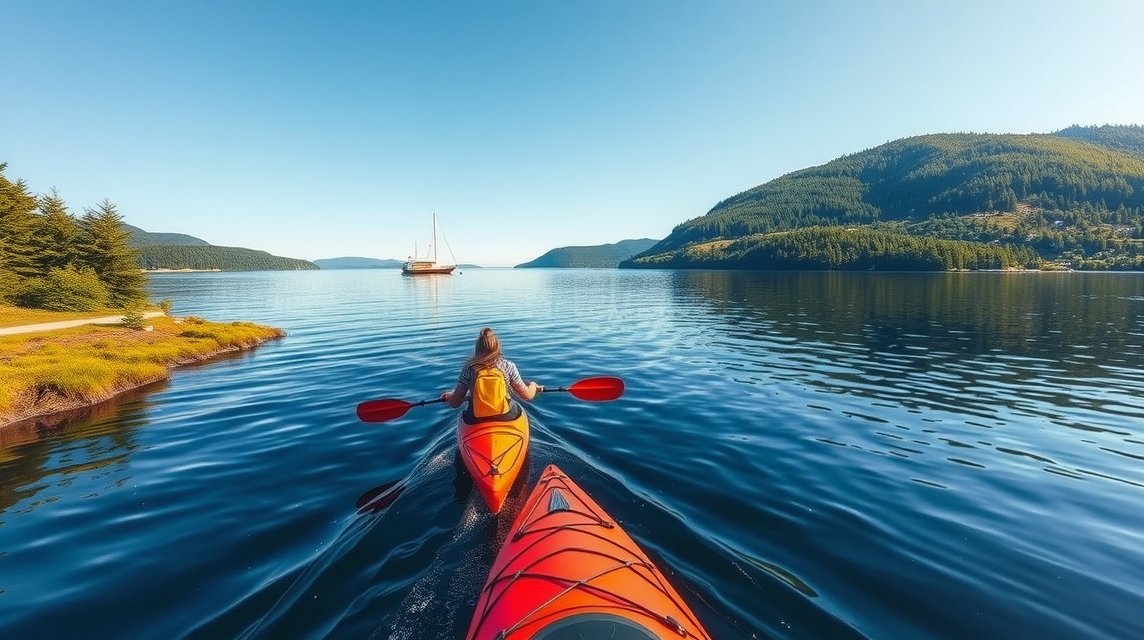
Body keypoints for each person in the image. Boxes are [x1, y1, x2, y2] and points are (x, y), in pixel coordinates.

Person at [441, 327, 542, 423]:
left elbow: (455, 403)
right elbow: (527, 395)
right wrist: (533, 386)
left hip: (476, 418)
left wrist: (449, 396)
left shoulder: (469, 369)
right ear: (497, 347)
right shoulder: (508, 366)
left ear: (477, 348)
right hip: (506, 415)